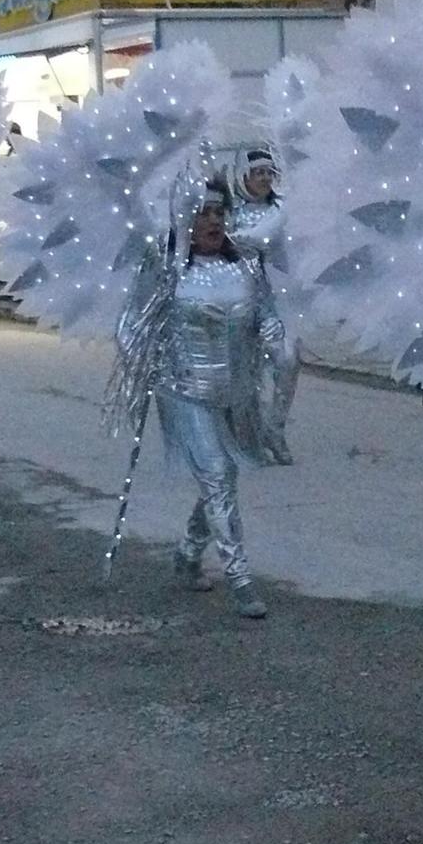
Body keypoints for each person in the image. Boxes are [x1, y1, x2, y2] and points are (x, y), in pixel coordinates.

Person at [113, 176, 286, 620]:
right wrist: (143, 358)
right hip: (184, 391)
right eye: (203, 212)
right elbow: (130, 324)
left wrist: (274, 340)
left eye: (218, 212)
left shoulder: (246, 265)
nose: (212, 221)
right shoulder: (167, 267)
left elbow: (267, 315)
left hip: (237, 391)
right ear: (183, 218)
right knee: (219, 474)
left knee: (222, 480)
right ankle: (241, 578)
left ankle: (189, 552)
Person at [226, 147, 301, 464]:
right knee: (244, 376)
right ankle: (247, 439)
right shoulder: (228, 210)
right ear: (244, 175)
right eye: (258, 173)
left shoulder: (283, 208)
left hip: (272, 302)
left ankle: (274, 430)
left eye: (269, 173)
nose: (265, 179)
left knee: (287, 360)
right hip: (234, 304)